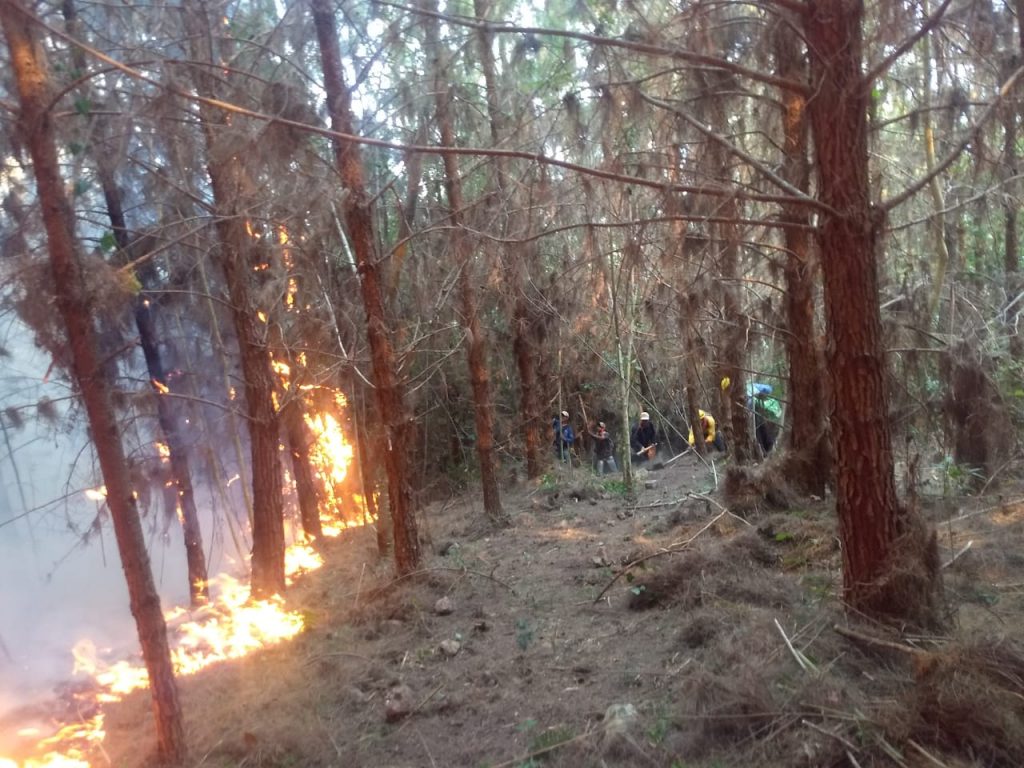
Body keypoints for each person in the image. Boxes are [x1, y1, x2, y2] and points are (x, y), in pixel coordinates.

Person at [748, 383, 782, 455]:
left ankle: (767, 450)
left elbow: (767, 389)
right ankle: (765, 451)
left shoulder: (752, 387)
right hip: (756, 420)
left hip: (759, 419)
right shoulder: (751, 395)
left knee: (762, 432)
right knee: (760, 432)